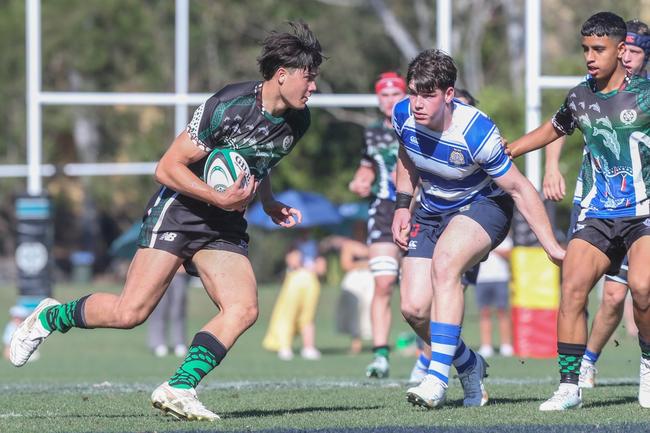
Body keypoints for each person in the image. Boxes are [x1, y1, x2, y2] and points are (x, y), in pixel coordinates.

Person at [9, 21, 323, 422]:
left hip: (223, 224)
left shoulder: (299, 122)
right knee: (130, 312)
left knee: (243, 307)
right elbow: (166, 166)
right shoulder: (229, 105)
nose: (313, 87)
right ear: (283, 74)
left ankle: (180, 386)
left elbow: (258, 162)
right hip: (181, 209)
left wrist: (269, 200)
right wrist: (217, 196)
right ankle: (49, 316)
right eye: (309, 78)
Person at [392, 49, 564, 409]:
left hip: (483, 207)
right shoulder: (402, 115)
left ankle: (436, 379)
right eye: (413, 92)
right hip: (431, 209)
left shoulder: (476, 132)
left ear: (449, 95)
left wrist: (552, 247)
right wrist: (401, 207)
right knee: (413, 308)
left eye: (428, 95)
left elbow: (519, 188)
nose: (417, 103)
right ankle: (469, 364)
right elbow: (406, 158)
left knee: (446, 263)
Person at [507, 12, 650, 411]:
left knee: (642, 289)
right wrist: (512, 148)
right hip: (596, 213)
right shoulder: (579, 96)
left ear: (621, 51)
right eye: (585, 48)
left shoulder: (646, 94)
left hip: (643, 213)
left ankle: (649, 365)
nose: (589, 56)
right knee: (571, 289)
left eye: (598, 49)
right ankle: (569, 386)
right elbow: (554, 128)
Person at [349, 72, 406, 378]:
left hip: (419, 211)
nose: (389, 100)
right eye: (384, 95)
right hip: (383, 210)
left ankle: (427, 358)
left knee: (416, 295)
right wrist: (360, 180)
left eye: (395, 94)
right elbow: (367, 166)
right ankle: (381, 355)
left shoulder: (418, 125)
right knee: (383, 283)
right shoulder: (371, 133)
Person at [262, 237, 325, 361]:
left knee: (308, 316)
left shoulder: (315, 246)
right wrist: (299, 257)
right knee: (287, 315)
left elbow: (321, 269)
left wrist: (317, 264)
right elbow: (293, 263)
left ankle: (308, 347)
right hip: (295, 281)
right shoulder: (294, 244)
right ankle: (285, 346)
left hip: (311, 282)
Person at [475, 234, 513, 358]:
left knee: (502, 312)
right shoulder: (478, 237)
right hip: (482, 279)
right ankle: (486, 346)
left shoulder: (504, 238)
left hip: (500, 278)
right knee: (484, 312)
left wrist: (492, 247)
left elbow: (509, 255)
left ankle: (506, 346)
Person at [148, 270, 190, 358]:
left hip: (179, 273)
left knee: (178, 310)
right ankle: (158, 343)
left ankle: (180, 342)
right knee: (159, 309)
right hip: (159, 273)